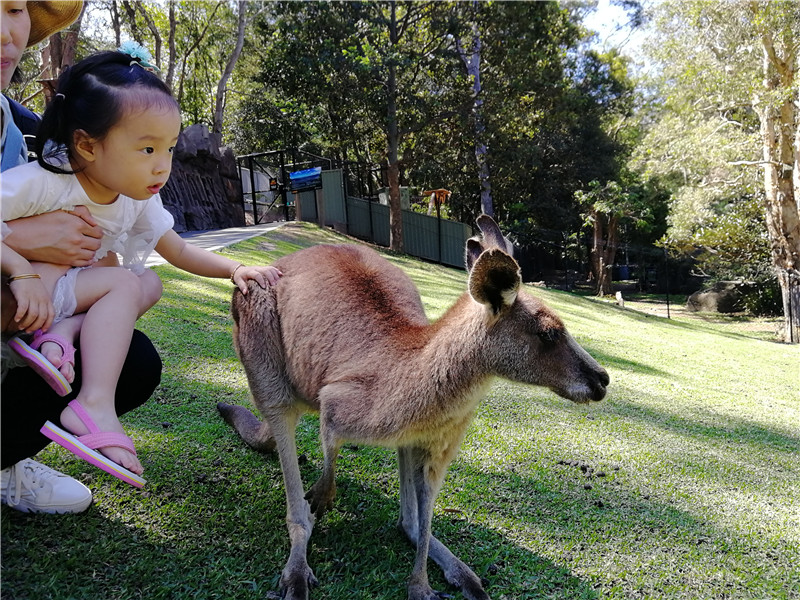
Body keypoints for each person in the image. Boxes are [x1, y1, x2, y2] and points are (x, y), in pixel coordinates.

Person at [2, 44, 283, 488]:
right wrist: (19, 267)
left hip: (70, 297)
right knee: (121, 283)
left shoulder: (136, 197)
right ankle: (93, 402)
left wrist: (234, 269)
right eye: (147, 148)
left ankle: (63, 337)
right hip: (36, 293)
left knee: (149, 282)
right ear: (86, 145)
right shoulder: (42, 182)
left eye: (169, 149)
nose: (163, 166)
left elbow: (179, 251)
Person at [4, 1, 150, 513]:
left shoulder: (32, 132)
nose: (6, 34)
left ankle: (6, 459)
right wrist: (27, 245)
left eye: (15, 9)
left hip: (23, 320)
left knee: (129, 354)